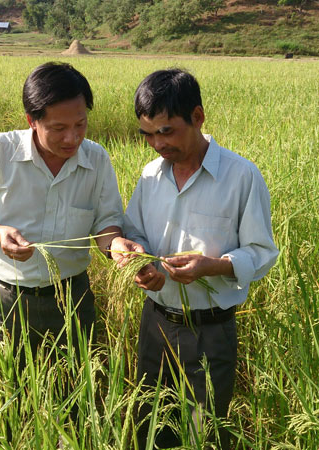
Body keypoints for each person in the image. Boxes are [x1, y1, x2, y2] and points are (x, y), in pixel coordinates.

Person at [111, 68, 279, 449]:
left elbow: (262, 253)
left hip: (210, 330)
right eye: (148, 134)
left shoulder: (241, 177)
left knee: (203, 433)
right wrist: (139, 263)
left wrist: (214, 265)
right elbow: (134, 233)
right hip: (154, 324)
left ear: (198, 117)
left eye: (166, 131)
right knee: (150, 427)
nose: (157, 144)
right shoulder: (151, 175)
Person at [0, 62, 124, 425]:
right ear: (32, 120)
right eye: (58, 128)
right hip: (8, 302)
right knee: (4, 403)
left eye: (80, 125)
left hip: (73, 300)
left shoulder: (96, 159)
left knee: (75, 405)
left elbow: (106, 224)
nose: (71, 139)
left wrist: (116, 246)